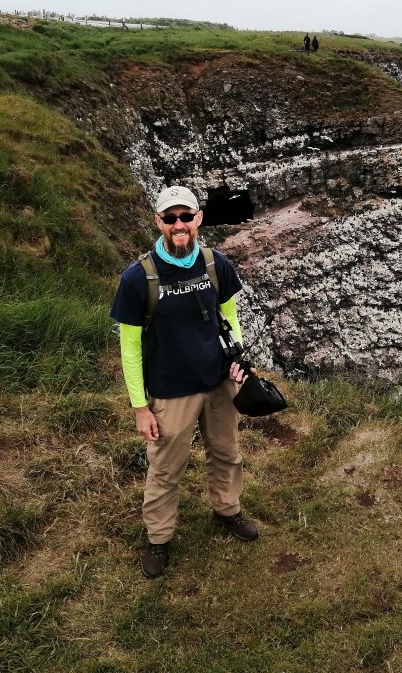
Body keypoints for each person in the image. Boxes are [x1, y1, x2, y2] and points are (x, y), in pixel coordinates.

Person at [110, 185, 259, 579]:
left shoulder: (216, 264)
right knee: (165, 469)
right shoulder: (137, 278)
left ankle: (228, 510)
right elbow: (130, 347)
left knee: (227, 451)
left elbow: (230, 319)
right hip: (169, 389)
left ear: (198, 219)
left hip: (217, 381)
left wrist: (238, 359)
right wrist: (140, 407)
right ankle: (159, 539)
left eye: (186, 216)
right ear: (158, 222)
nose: (179, 225)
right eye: (170, 218)